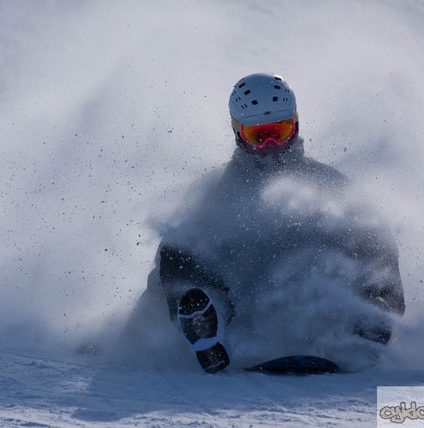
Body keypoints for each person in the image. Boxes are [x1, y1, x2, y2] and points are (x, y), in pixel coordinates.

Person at [148, 73, 405, 373]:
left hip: (312, 307)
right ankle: (206, 322)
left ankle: (369, 320)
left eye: (279, 132)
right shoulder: (215, 192)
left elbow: (377, 244)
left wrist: (381, 296)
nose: (270, 146)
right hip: (238, 302)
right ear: (237, 133)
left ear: (295, 124)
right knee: (180, 251)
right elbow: (175, 254)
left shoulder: (329, 185)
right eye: (258, 136)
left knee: (368, 237)